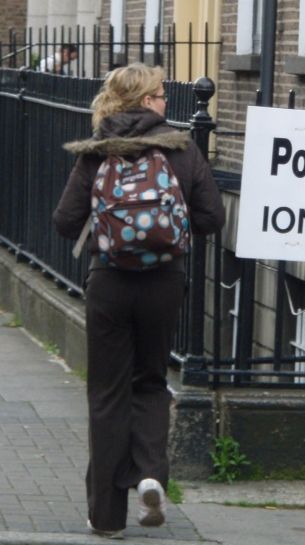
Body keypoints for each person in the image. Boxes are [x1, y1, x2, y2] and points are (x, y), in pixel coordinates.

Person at [52, 63, 225, 539]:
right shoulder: (181, 147)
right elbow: (213, 216)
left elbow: (66, 220)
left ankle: (106, 518)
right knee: (150, 382)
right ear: (146, 102)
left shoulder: (98, 152)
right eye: (162, 94)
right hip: (164, 281)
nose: (168, 102)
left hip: (109, 281)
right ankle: (150, 473)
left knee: (107, 395)